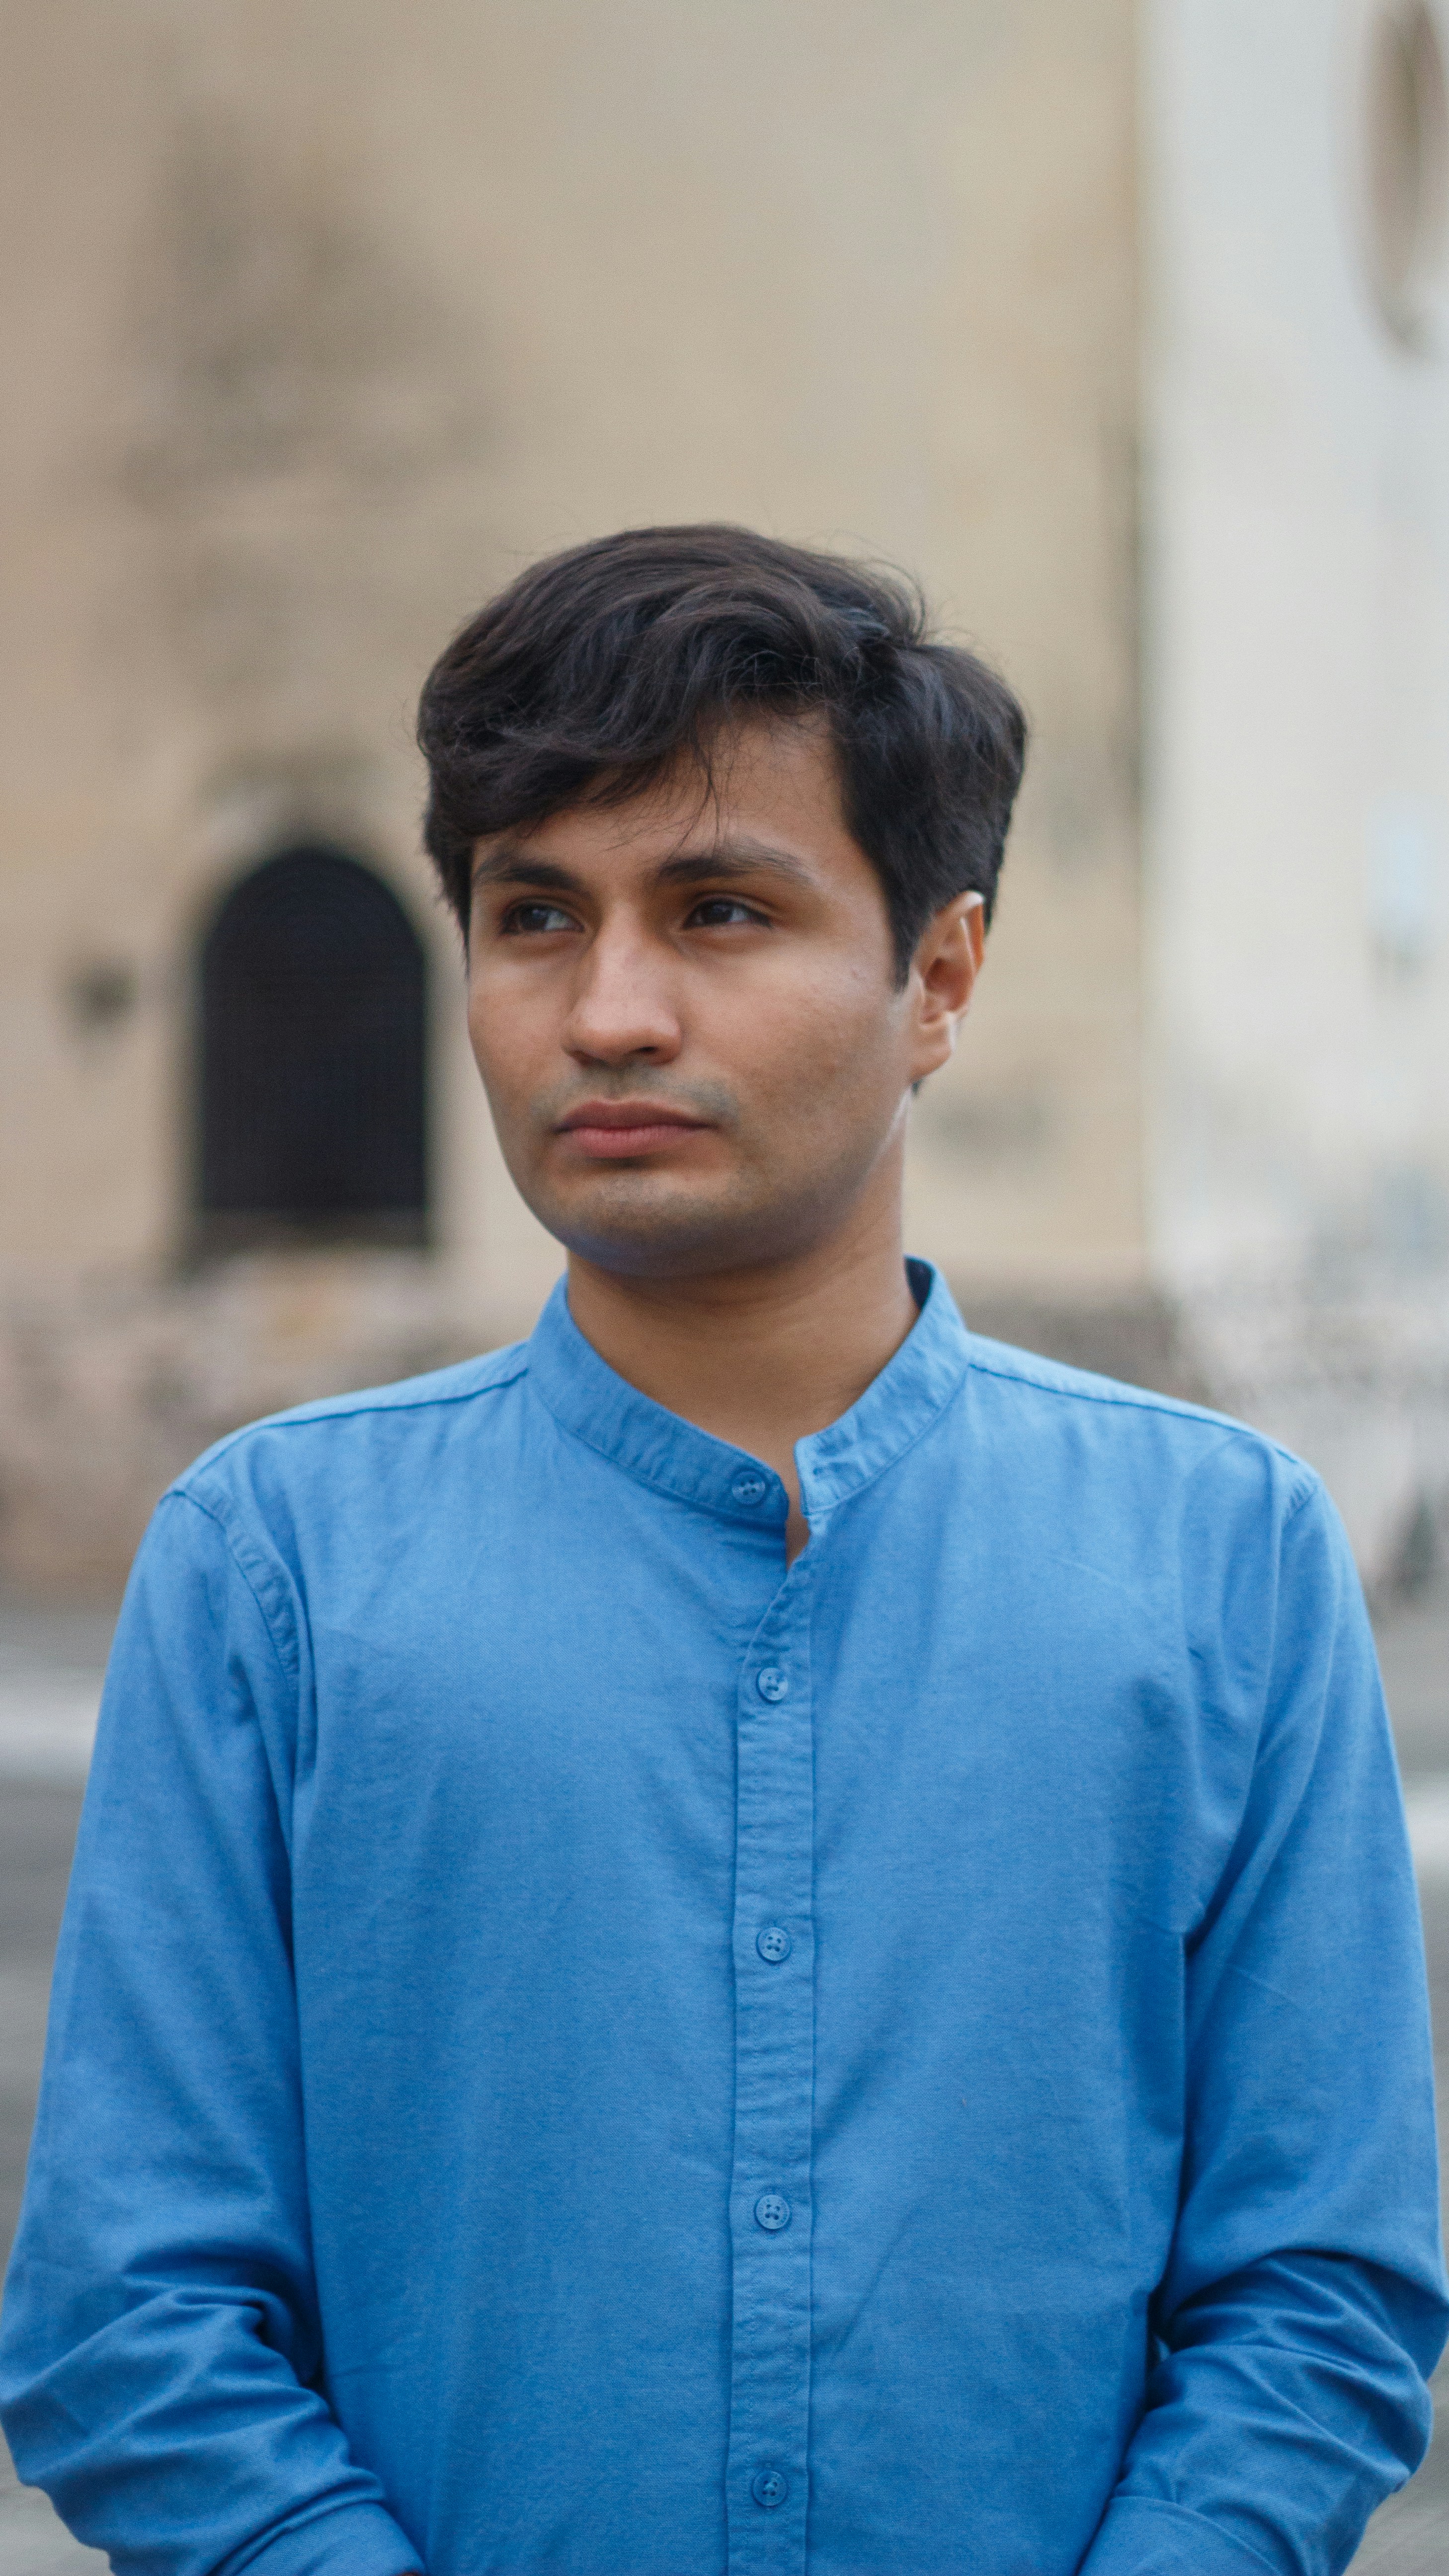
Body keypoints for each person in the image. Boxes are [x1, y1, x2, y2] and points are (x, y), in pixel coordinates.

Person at [1, 526, 1444, 2576]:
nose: (608, 1012)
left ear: (939, 976)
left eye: (721, 911)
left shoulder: (1221, 1557)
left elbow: (1318, 2295)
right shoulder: (275, 1567)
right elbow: (129, 2318)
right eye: (533, 916)